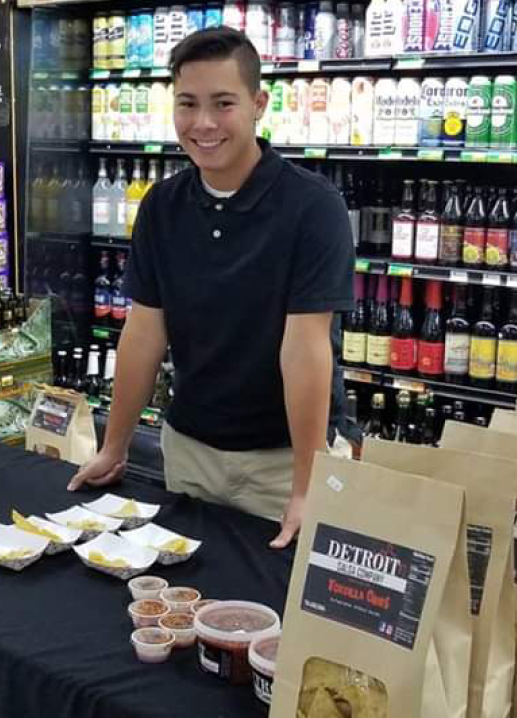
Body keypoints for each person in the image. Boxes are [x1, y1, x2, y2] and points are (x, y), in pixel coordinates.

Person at [67, 27, 354, 549]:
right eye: (187, 104)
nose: (203, 123)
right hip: (190, 452)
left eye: (223, 104)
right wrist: (114, 446)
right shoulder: (162, 206)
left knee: (278, 620)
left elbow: (306, 349)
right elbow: (144, 332)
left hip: (284, 462)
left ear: (258, 104)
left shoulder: (314, 207)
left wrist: (308, 486)